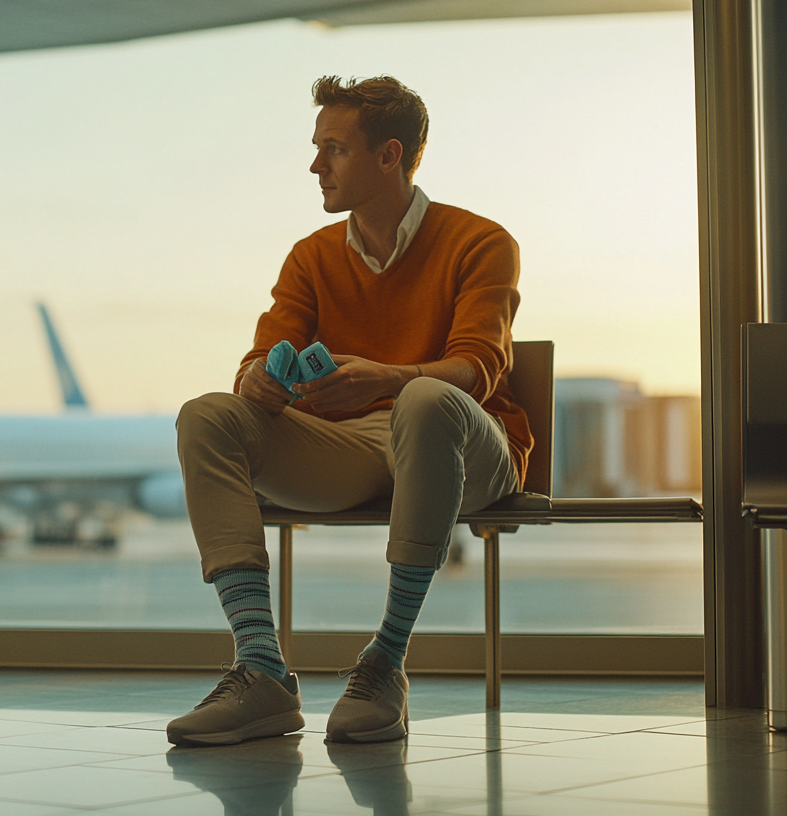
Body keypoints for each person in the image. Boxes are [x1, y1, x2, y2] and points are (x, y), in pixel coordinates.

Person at [166, 75, 531, 746]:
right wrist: (256, 381)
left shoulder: (480, 242)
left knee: (424, 400)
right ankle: (262, 671)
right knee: (207, 414)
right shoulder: (311, 256)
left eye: (332, 149)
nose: (315, 165)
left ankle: (385, 661)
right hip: (355, 449)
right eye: (316, 148)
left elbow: (477, 370)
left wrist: (386, 379)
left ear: (389, 155)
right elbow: (258, 355)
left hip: (465, 448)